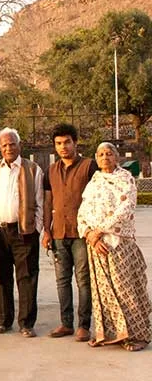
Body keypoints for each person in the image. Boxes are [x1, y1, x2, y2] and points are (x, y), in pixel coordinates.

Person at [78, 142, 151, 352]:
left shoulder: (125, 179)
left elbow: (126, 208)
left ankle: (136, 335)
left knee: (125, 289)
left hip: (119, 244)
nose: (104, 157)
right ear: (96, 158)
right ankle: (110, 334)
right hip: (96, 245)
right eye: (100, 154)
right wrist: (90, 234)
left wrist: (100, 230)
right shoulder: (95, 181)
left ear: (116, 157)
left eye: (109, 154)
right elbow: (83, 210)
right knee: (103, 292)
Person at [0, 128, 44, 338]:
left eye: (12, 144)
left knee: (26, 277)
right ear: (0, 148)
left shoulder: (32, 169)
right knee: (3, 278)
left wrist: (36, 229)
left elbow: (40, 203)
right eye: (4, 145)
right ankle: (5, 320)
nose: (8, 148)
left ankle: (26, 323)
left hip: (23, 232)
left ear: (19, 146)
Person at [42, 123, 97, 341]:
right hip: (58, 233)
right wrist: (46, 231)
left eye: (67, 142)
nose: (63, 147)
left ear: (75, 142)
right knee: (62, 280)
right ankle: (66, 323)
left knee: (83, 280)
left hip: (82, 234)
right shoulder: (51, 170)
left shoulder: (89, 167)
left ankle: (84, 325)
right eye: (58, 143)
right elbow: (47, 202)